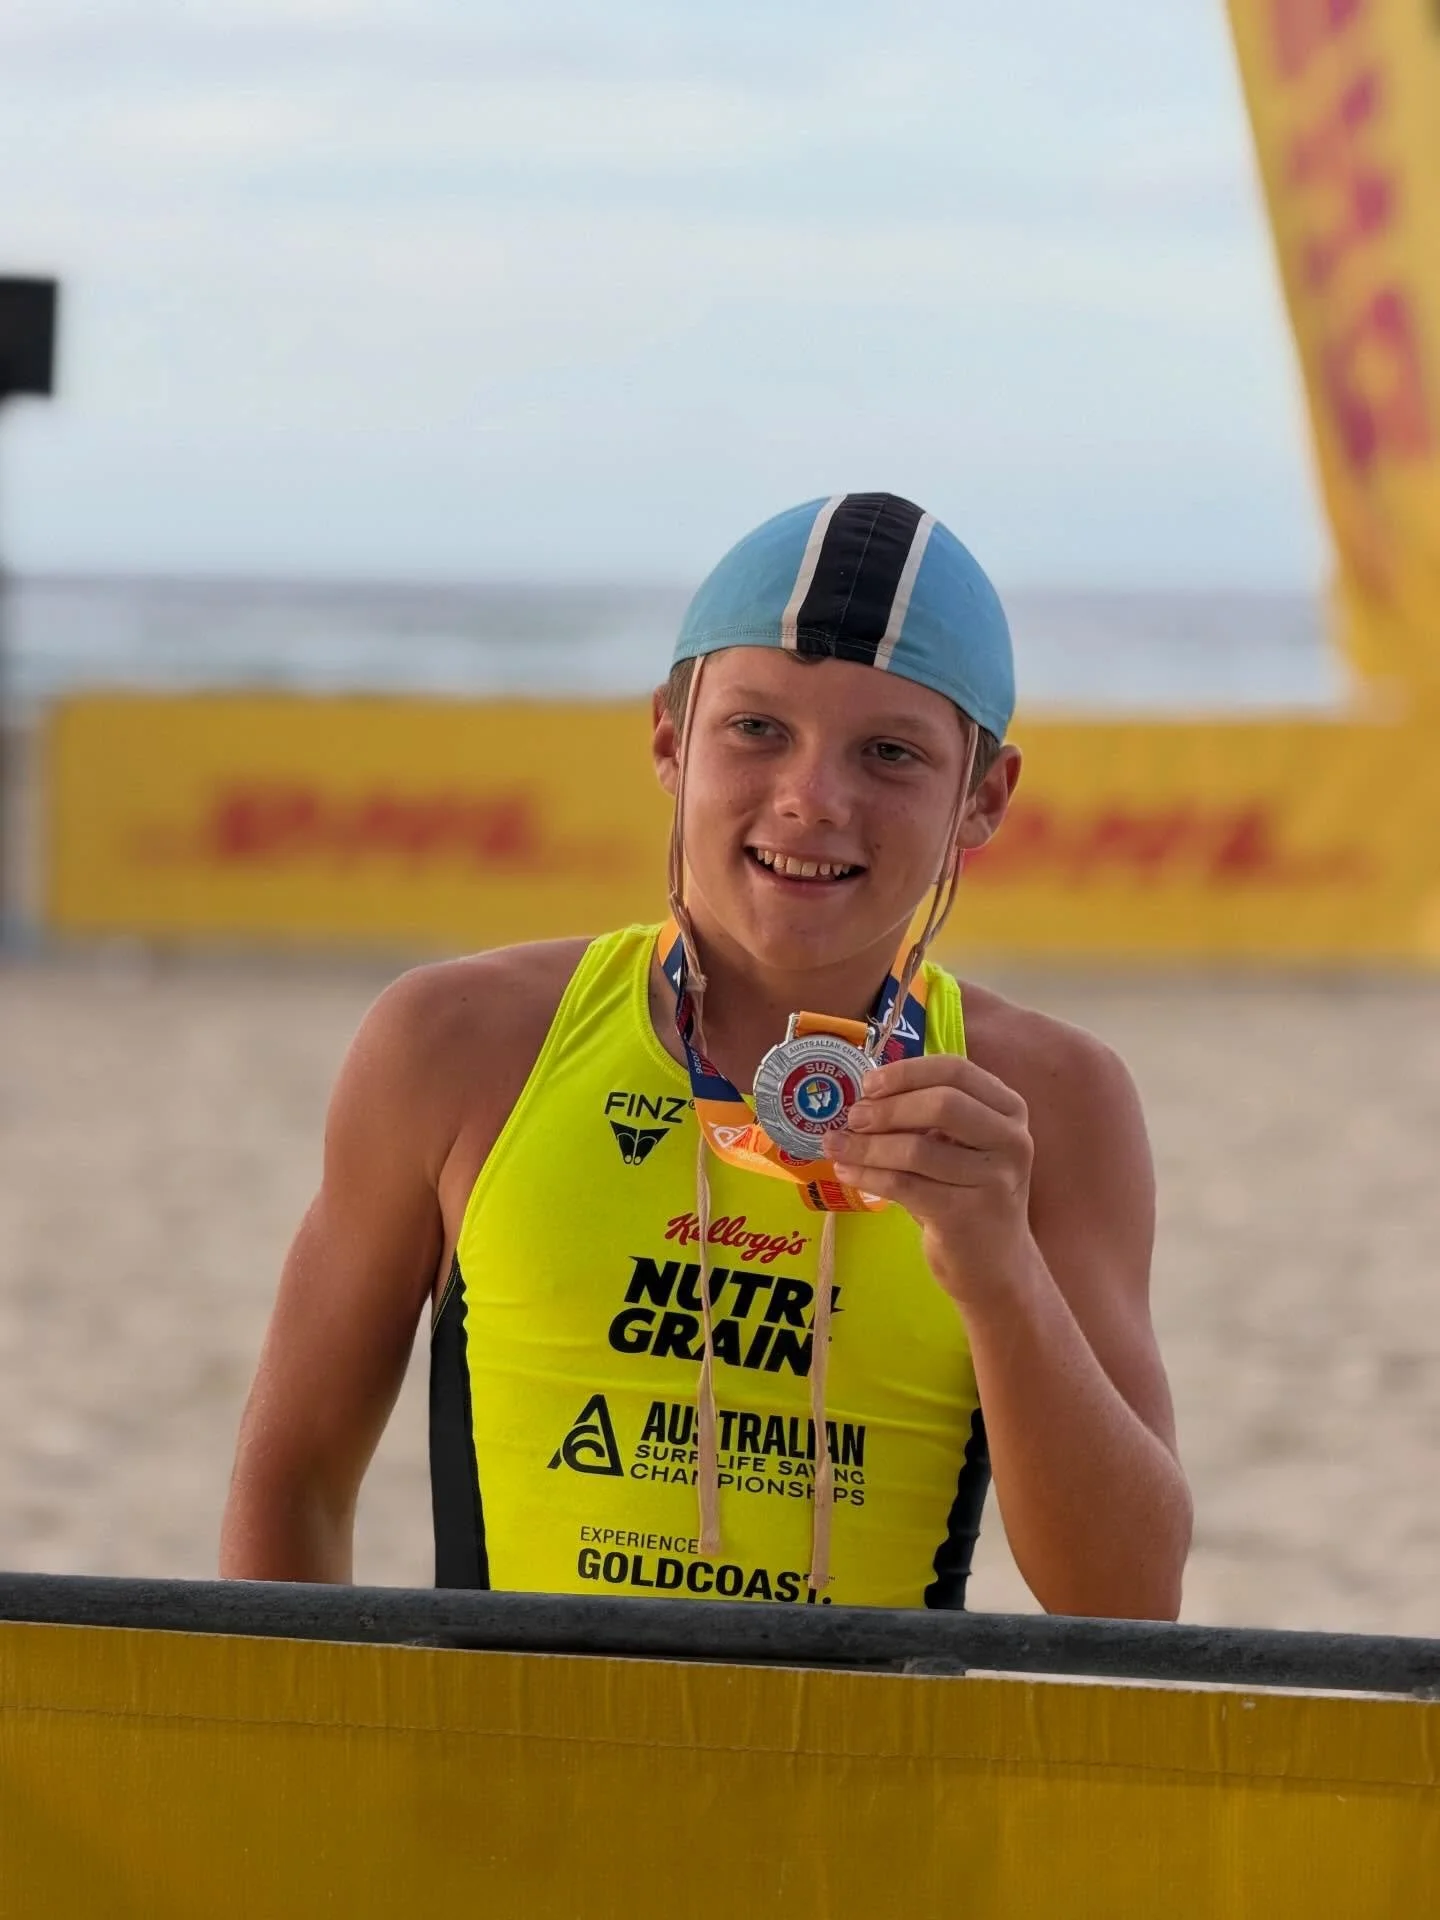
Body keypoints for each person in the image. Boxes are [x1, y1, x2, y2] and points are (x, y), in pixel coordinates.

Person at [221, 492, 1192, 1616]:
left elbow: (1126, 1604)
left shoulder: (1048, 1102)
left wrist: (999, 1272)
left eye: (889, 753)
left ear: (983, 796)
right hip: (504, 1785)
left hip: (874, 1791)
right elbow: (293, 1478)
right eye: (756, 730)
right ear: (669, 740)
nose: (811, 800)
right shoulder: (458, 1043)